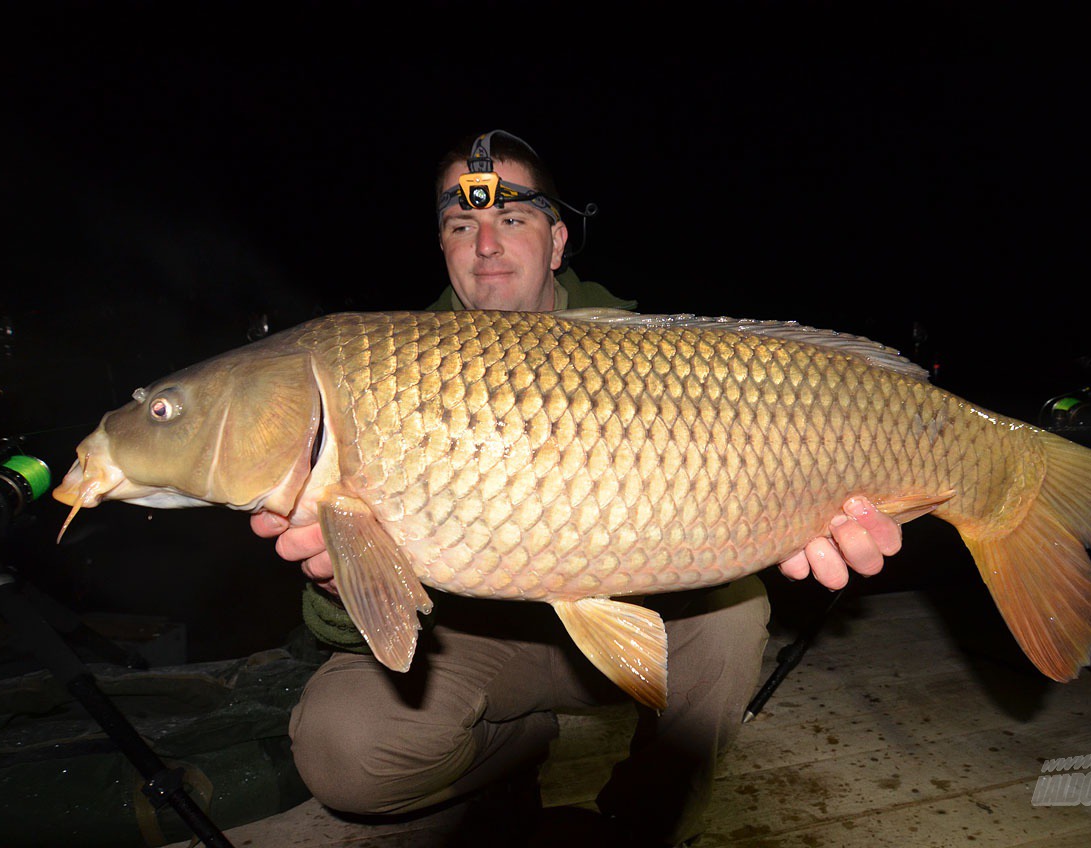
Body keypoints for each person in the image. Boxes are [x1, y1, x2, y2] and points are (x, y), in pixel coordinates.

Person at [251, 130, 902, 847]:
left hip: (638, 612)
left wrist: (809, 508)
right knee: (343, 750)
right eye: (461, 225)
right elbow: (348, 624)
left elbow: (746, 473)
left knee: (734, 613)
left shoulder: (641, 348)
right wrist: (344, 582)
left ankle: (645, 821)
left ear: (558, 242)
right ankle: (511, 759)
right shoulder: (382, 368)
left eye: (512, 219)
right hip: (473, 641)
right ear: (443, 248)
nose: (486, 245)